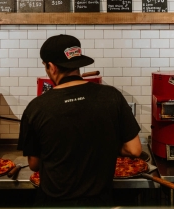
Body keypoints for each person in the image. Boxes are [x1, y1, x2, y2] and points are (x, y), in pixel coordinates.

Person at [18, 34, 142, 207]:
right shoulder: (112, 96)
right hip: (100, 202)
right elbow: (135, 150)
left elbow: (34, 164)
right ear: (78, 63)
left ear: (51, 67)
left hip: (54, 203)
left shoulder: (36, 108)